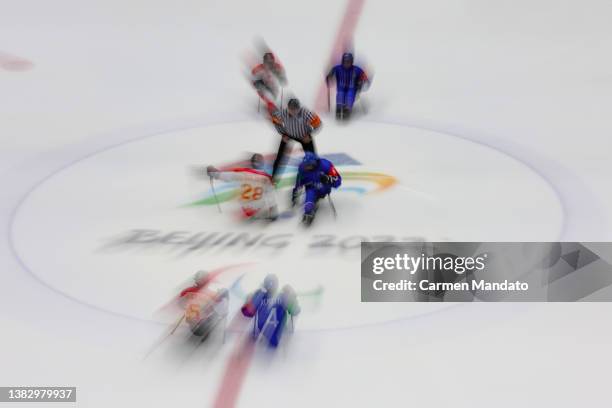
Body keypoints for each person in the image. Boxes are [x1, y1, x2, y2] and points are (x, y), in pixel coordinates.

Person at [207, 153, 278, 220]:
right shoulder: (266, 178)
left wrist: (214, 173)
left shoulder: (243, 172)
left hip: (244, 209)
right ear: (262, 164)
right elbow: (270, 195)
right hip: (258, 209)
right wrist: (273, 210)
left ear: (252, 163)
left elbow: (226, 176)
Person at [268, 98, 322, 181]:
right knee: (279, 158)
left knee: (312, 158)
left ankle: (317, 177)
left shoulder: (306, 113)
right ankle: (273, 179)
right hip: (289, 135)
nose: (293, 112)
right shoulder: (283, 113)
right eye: (291, 110)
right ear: (288, 108)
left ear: (299, 108)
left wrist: (309, 135)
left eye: (295, 110)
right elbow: (274, 120)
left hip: (303, 136)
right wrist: (282, 133)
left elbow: (318, 124)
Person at [292, 152, 341, 226]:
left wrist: (328, 179)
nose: (307, 168)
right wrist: (295, 193)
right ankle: (308, 211)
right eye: (306, 166)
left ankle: (313, 203)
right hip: (310, 187)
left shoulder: (326, 165)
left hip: (324, 187)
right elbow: (298, 182)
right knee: (309, 196)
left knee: (317, 191)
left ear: (314, 163)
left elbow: (338, 181)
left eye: (309, 166)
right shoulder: (302, 168)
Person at [325, 52, 370, 120]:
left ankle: (347, 110)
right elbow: (331, 73)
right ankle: (339, 109)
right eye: (345, 61)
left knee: (350, 95)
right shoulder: (338, 68)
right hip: (341, 87)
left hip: (352, 88)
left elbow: (364, 77)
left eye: (349, 62)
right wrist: (329, 77)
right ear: (342, 61)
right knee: (340, 94)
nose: (347, 64)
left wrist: (361, 82)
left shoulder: (356, 69)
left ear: (352, 62)